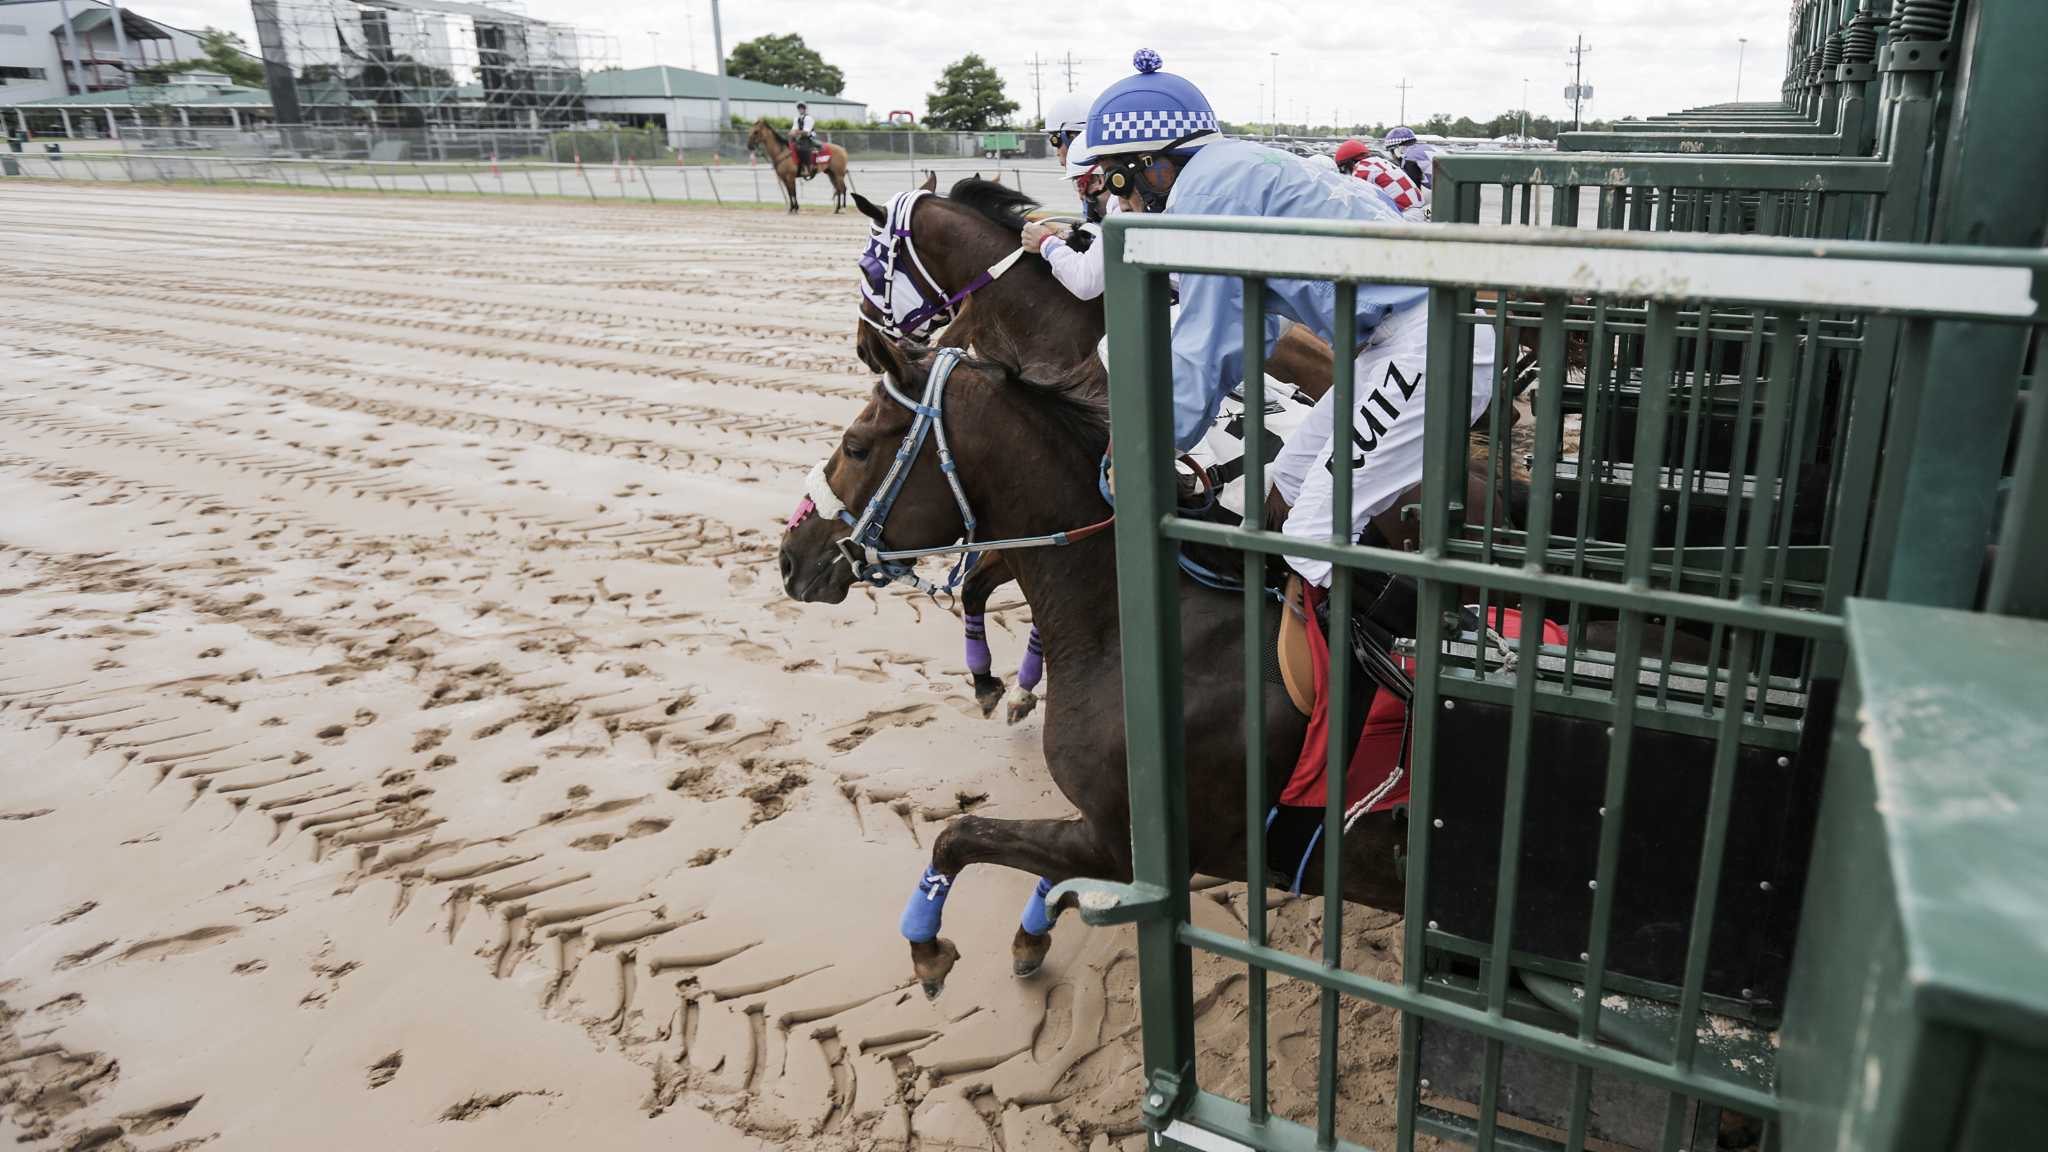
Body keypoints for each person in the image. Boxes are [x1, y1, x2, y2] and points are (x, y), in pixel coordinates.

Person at [1085, 49, 1496, 588]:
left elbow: (1213, 337)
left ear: (1149, 167)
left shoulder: (1205, 197)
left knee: (1311, 532)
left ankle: (1393, 665)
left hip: (1425, 342)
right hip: (1400, 339)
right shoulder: (1233, 169)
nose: (1121, 204)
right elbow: (1251, 329)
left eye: (1115, 179)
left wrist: (1151, 444)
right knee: (1291, 482)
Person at [1333, 138, 1426, 220]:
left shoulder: (1361, 169)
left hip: (1407, 216)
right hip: (1424, 211)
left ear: (1350, 162)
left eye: (1343, 168)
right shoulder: (1380, 161)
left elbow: (1356, 201)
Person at [791, 102, 818, 177]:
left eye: (802, 108)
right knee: (790, 146)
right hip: (800, 137)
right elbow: (794, 128)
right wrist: (791, 133)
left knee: (802, 148)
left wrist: (796, 132)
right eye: (799, 108)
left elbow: (806, 131)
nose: (800, 110)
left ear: (805, 109)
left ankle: (807, 168)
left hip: (809, 137)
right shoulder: (796, 119)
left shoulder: (808, 118)